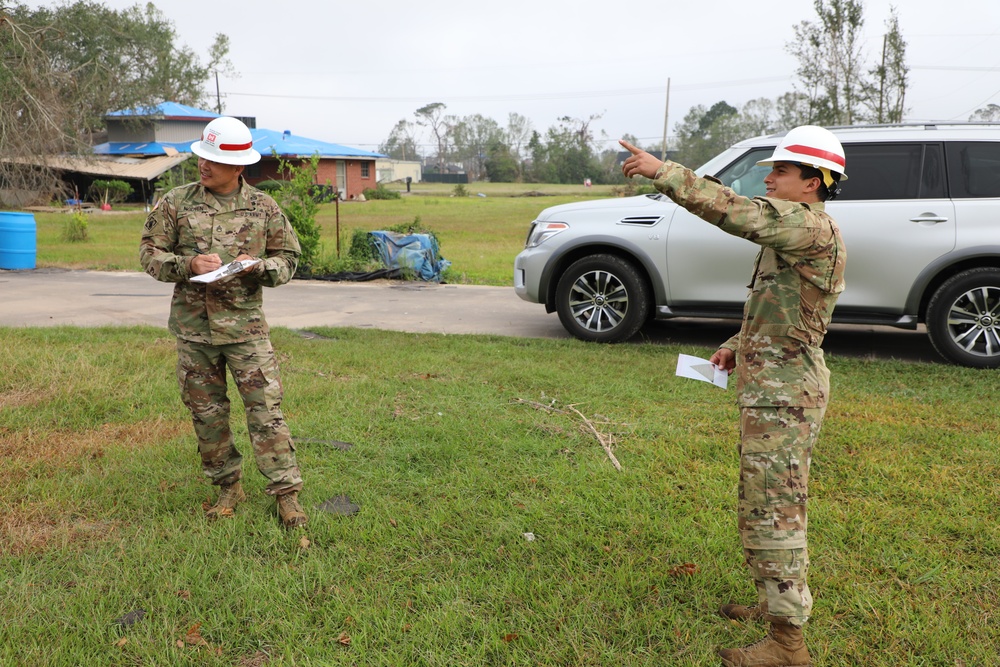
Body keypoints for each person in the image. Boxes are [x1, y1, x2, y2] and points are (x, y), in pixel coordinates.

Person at [621, 126, 848, 667]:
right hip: (775, 386)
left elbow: (735, 212)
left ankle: (787, 643)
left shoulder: (807, 227)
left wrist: (664, 173)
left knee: (775, 511)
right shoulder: (796, 232)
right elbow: (783, 307)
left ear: (813, 182)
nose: (769, 179)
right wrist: (734, 345)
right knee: (765, 504)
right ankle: (775, 604)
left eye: (781, 172)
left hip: (784, 396)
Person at [140, 116, 308, 529]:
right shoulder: (176, 202)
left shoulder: (264, 208)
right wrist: (187, 264)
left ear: (240, 168)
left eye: (213, 160)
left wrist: (258, 267)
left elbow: (289, 261)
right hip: (194, 332)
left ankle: (287, 495)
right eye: (202, 156)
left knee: (266, 413)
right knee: (207, 414)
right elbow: (149, 254)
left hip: (245, 332)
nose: (204, 165)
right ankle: (227, 486)